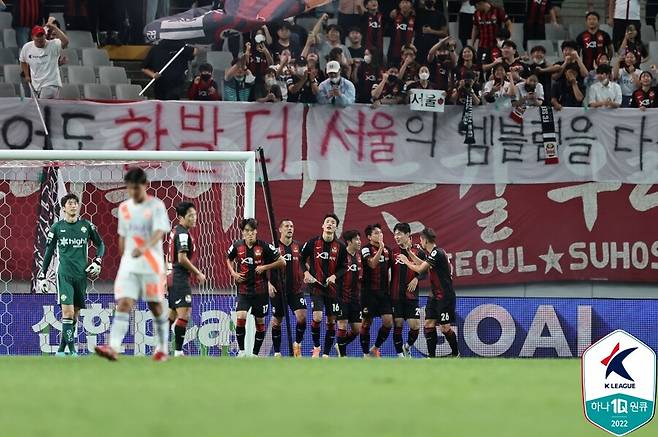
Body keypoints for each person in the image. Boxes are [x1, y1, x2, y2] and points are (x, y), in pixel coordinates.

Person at [95, 168, 171, 362]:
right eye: (129, 189)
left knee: (155, 305)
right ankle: (113, 347)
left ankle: (162, 348)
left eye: (136, 188)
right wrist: (123, 259)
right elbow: (122, 235)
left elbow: (160, 232)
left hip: (151, 265)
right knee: (124, 303)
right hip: (130, 264)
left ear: (145, 186)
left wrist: (143, 248)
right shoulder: (124, 208)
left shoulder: (156, 206)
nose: (132, 193)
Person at [37, 194, 105, 357]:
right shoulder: (57, 228)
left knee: (74, 315)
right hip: (64, 275)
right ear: (64, 208)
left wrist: (97, 261)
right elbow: (48, 252)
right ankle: (72, 351)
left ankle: (61, 350)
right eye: (70, 204)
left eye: (76, 203)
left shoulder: (86, 226)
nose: (74, 206)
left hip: (81, 276)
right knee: (67, 313)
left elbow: (100, 244)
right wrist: (42, 275)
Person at [226, 219, 285, 357]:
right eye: (247, 231)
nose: (250, 234)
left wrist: (265, 267)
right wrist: (233, 273)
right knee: (241, 317)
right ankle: (241, 352)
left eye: (252, 231)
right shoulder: (237, 246)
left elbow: (282, 262)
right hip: (244, 290)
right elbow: (228, 258)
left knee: (260, 322)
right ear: (243, 232)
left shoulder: (264, 246)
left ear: (256, 231)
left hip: (260, 291)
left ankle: (254, 354)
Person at [397, 227, 459, 358]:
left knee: (445, 328)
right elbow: (424, 264)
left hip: (445, 296)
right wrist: (410, 254)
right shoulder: (433, 254)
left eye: (421, 240)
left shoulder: (437, 253)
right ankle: (431, 358)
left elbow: (420, 269)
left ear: (425, 240)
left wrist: (406, 261)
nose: (420, 242)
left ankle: (455, 354)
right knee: (428, 324)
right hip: (434, 296)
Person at [300, 214, 349, 358]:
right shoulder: (312, 243)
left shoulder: (340, 246)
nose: (329, 224)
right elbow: (302, 260)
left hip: (333, 290)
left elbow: (344, 267)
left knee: (331, 321)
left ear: (336, 227)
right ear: (322, 225)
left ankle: (326, 354)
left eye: (333, 222)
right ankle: (316, 347)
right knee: (317, 316)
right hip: (316, 287)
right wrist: (306, 273)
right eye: (327, 221)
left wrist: (334, 276)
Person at [167, 202, 205, 357]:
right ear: (181, 217)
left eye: (195, 215)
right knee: (185, 314)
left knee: (172, 315)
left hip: (172, 277)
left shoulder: (176, 230)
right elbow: (182, 258)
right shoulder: (182, 234)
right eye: (190, 215)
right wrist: (198, 273)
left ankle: (160, 348)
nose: (194, 218)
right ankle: (178, 351)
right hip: (179, 278)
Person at [268, 219, 308, 358]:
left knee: (302, 317)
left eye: (291, 226)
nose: (289, 228)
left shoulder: (299, 246)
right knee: (276, 322)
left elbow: (305, 264)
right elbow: (261, 266)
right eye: (286, 226)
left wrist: (307, 273)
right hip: (278, 290)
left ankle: (297, 344)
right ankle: (277, 353)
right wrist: (268, 284)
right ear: (280, 229)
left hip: (295, 290)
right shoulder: (272, 247)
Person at [360, 223, 393, 358]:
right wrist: (380, 249)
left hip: (384, 293)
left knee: (388, 321)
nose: (380, 235)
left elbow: (391, 270)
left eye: (381, 233)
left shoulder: (388, 251)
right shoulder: (365, 249)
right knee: (367, 322)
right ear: (369, 237)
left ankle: (375, 348)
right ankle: (365, 353)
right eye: (376, 233)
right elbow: (372, 264)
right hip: (368, 293)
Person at [390, 223, 422, 358]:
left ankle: (407, 347)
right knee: (398, 324)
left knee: (415, 326)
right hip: (396, 295)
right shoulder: (393, 252)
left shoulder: (418, 251)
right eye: (395, 234)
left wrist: (417, 278)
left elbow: (426, 270)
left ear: (408, 235)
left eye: (399, 234)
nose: (396, 237)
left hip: (411, 296)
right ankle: (400, 356)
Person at [20, 19, 69, 99]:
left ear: (45, 35)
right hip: (36, 86)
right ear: (33, 37)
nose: (40, 38)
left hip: (51, 84)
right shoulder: (27, 47)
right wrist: (27, 75)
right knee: (40, 110)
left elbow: (66, 41)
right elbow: (23, 61)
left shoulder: (53, 44)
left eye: (42, 35)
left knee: (43, 105)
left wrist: (54, 27)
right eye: (38, 36)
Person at [335, 230, 363, 358]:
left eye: (359, 239)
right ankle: (343, 355)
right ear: (349, 242)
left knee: (357, 329)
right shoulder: (340, 256)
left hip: (355, 299)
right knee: (342, 325)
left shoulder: (359, 256)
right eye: (356, 239)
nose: (359, 242)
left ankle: (340, 345)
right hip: (341, 297)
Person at [387, 0, 416, 67]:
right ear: (399, 5)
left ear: (411, 5)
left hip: (407, 53)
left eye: (407, 2)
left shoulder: (414, 18)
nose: (405, 5)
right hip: (393, 52)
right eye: (403, 3)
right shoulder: (394, 15)